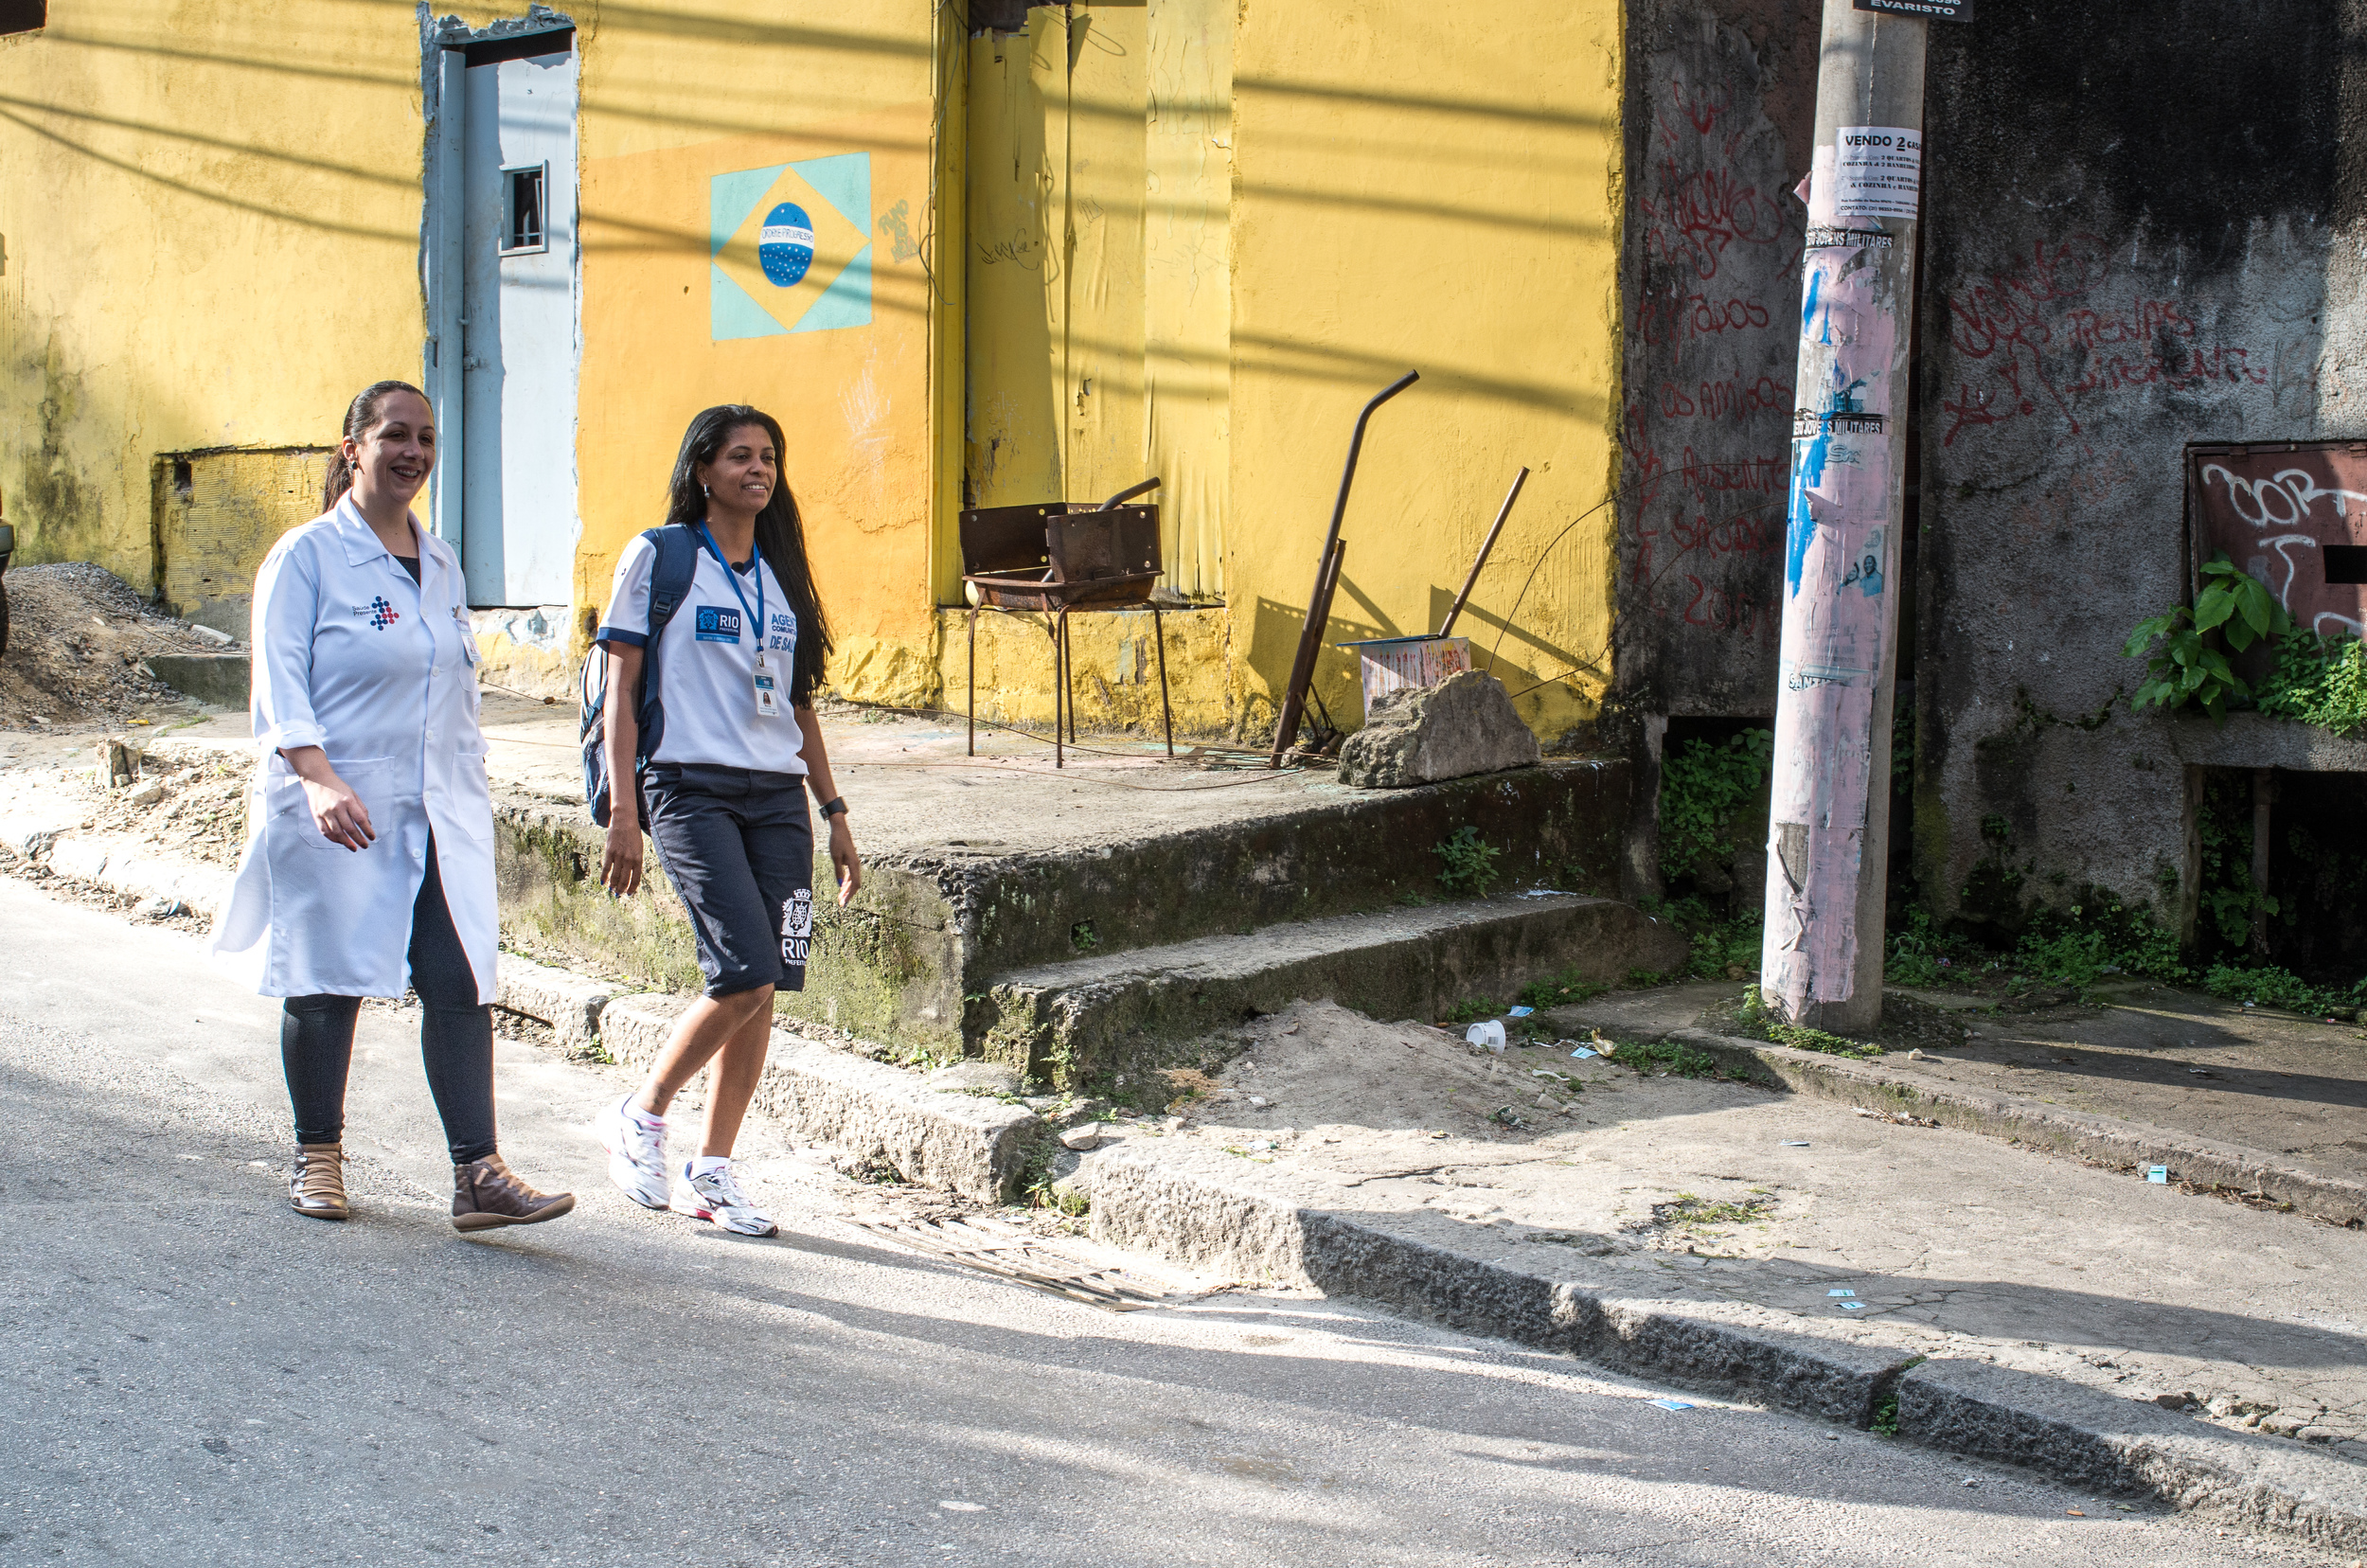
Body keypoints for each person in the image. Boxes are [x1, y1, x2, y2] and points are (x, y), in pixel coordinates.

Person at [211, 381, 575, 1232]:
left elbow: (452, 688)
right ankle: (318, 1157)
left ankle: (479, 1176)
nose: (413, 452)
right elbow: (279, 682)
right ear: (353, 450)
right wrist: (315, 776)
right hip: (339, 802)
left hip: (441, 807)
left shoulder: (440, 560)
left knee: (459, 980)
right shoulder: (304, 557)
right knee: (327, 977)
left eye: (425, 438)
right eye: (394, 436)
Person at [592, 403, 861, 1237]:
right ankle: (643, 1112)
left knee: (769, 984)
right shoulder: (661, 556)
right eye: (740, 456)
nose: (759, 469)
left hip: (778, 799)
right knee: (742, 970)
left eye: (770, 457)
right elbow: (620, 689)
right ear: (702, 471)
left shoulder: (780, 572)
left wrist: (835, 812)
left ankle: (714, 1172)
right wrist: (624, 809)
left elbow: (799, 703)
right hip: (689, 787)